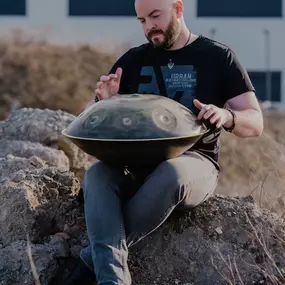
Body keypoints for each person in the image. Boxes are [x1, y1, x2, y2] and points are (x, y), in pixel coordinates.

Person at [64, 0, 264, 284]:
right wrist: (101, 101)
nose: (149, 27)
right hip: (135, 166)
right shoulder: (132, 61)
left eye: (155, 16)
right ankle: (112, 279)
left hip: (194, 165)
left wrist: (226, 116)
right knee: (97, 174)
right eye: (142, 20)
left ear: (178, 9)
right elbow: (88, 122)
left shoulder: (219, 57)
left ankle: (90, 261)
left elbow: (255, 122)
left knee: (172, 173)